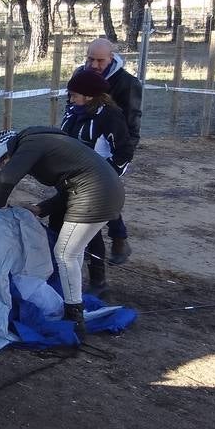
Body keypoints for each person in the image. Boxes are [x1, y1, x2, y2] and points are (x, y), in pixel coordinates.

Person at [0, 127, 124, 343]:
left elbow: (6, 179)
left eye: (3, 161)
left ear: (8, 152)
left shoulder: (29, 145)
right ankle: (74, 301)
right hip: (108, 190)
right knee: (74, 251)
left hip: (94, 194)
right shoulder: (45, 142)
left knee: (64, 254)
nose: (3, 166)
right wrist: (42, 209)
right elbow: (68, 187)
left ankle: (74, 316)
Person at [58, 68, 134, 296]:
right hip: (73, 176)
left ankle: (98, 279)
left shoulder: (110, 117)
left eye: (74, 95)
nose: (70, 99)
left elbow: (124, 151)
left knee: (89, 228)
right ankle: (118, 238)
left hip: (100, 174)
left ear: (89, 96)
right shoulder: (73, 112)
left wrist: (107, 176)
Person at [79, 37, 143, 264]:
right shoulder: (80, 74)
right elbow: (73, 107)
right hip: (84, 146)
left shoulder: (127, 83)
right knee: (93, 196)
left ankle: (116, 239)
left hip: (112, 150)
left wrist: (121, 159)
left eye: (100, 60)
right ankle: (113, 240)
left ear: (112, 58)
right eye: (90, 59)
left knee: (98, 194)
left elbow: (132, 124)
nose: (94, 65)